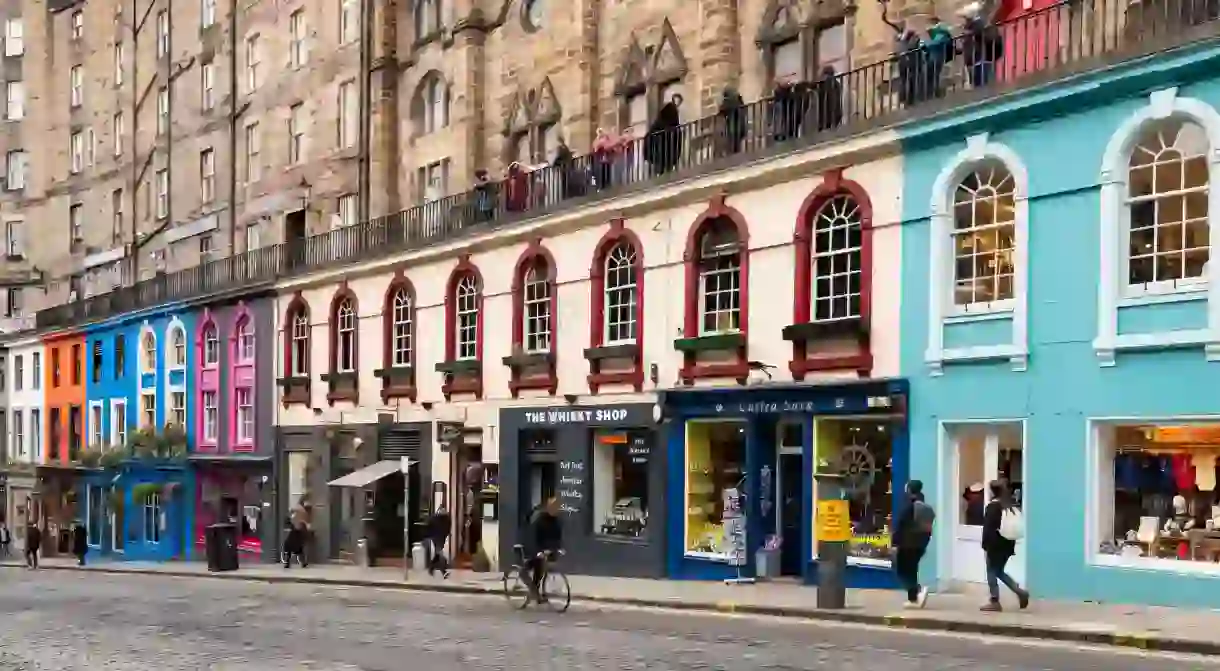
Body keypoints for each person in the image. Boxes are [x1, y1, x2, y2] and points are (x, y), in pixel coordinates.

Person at [981, 479, 1030, 611]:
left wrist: (985, 546)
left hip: (995, 545)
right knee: (999, 571)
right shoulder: (1010, 506)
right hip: (1008, 544)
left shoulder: (992, 507)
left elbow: (988, 529)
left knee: (991, 571)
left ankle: (995, 600)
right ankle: (1019, 592)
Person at [892, 479, 935, 608]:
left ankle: (915, 593)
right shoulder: (927, 508)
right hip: (920, 545)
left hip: (907, 544)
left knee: (902, 570)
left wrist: (895, 544)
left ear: (909, 490)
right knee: (912, 570)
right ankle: (914, 595)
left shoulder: (909, 507)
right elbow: (928, 529)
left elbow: (901, 526)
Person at [525, 497, 563, 603]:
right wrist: (538, 551)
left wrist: (558, 548)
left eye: (557, 508)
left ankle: (535, 593)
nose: (557, 510)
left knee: (541, 571)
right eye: (554, 508)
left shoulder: (556, 521)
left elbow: (557, 538)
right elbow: (532, 537)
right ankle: (533, 592)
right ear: (549, 508)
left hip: (545, 550)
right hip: (532, 549)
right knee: (525, 571)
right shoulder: (539, 520)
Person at [426, 505, 452, 578]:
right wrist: (430, 535)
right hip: (436, 538)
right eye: (441, 510)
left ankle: (431, 568)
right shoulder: (434, 518)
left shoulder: (447, 518)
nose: (443, 511)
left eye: (444, 510)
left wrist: (447, 534)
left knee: (437, 555)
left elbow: (448, 527)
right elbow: (429, 526)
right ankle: (444, 572)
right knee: (440, 554)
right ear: (439, 510)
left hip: (442, 538)